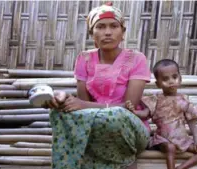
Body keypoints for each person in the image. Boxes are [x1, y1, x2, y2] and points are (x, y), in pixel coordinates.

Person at [44, 3, 151, 169]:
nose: (107, 32)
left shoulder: (137, 59)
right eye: (100, 27)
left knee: (115, 116)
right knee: (58, 113)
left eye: (114, 26)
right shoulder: (84, 58)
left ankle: (123, 160)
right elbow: (81, 109)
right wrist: (62, 98)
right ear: (92, 34)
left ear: (122, 33)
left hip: (130, 129)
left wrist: (84, 105)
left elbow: (128, 109)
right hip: (94, 125)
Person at [125, 59, 197, 169]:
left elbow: (191, 121)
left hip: (182, 139)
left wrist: (196, 140)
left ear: (180, 79)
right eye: (165, 79)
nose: (171, 81)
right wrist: (133, 112)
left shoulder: (184, 100)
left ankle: (181, 167)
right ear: (158, 84)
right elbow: (145, 114)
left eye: (174, 77)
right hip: (163, 139)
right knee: (170, 148)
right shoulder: (156, 100)